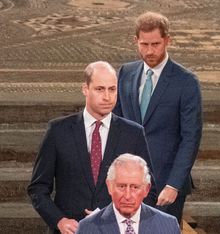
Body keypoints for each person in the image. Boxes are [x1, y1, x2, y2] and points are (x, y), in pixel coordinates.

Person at [27, 61, 155, 234]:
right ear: (85, 89)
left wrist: (122, 220)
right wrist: (59, 221)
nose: (107, 97)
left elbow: (150, 189)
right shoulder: (58, 131)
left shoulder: (133, 134)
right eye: (100, 89)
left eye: (112, 89)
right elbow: (38, 188)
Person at [113, 11, 202, 223]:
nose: (150, 51)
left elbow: (191, 137)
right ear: (136, 41)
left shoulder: (186, 81)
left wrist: (174, 185)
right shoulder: (125, 73)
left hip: (166, 186)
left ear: (167, 41)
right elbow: (115, 126)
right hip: (128, 184)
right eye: (144, 44)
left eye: (156, 44)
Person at [76, 154, 180, 234]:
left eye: (135, 187)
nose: (127, 196)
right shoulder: (87, 228)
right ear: (109, 186)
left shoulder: (168, 225)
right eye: (121, 186)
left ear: (146, 189)